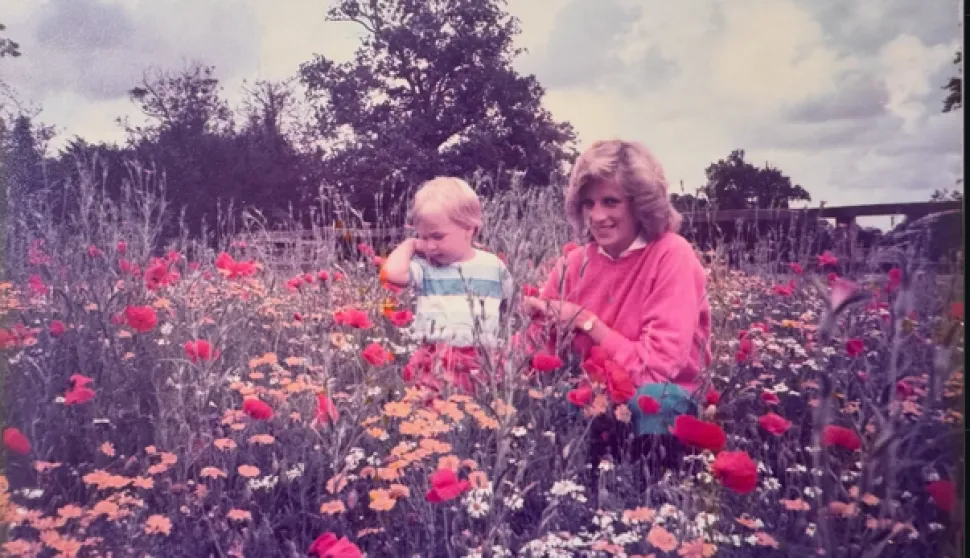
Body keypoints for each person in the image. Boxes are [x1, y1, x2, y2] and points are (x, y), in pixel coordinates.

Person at [522, 139, 712, 493]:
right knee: (541, 409)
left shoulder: (671, 255)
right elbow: (534, 348)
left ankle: (658, 499)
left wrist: (586, 321)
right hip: (592, 399)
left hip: (657, 402)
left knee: (653, 402)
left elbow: (657, 369)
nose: (597, 216)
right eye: (589, 203)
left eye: (611, 201)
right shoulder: (573, 263)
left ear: (641, 204)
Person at [381, 177, 513, 395]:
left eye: (437, 236)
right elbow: (392, 273)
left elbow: (509, 305)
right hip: (434, 360)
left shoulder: (493, 266)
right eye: (423, 237)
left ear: (469, 229)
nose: (430, 246)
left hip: (480, 360)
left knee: (476, 410)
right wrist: (410, 244)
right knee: (430, 411)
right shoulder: (426, 268)